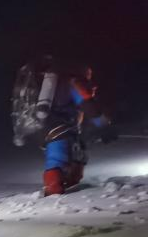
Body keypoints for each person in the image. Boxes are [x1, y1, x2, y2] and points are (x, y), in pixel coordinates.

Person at [42, 66, 115, 196]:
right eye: (88, 73)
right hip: (58, 126)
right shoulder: (74, 84)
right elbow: (89, 107)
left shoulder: (56, 86)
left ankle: (65, 185)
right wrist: (105, 126)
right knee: (59, 158)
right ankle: (55, 190)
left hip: (47, 127)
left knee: (74, 153)